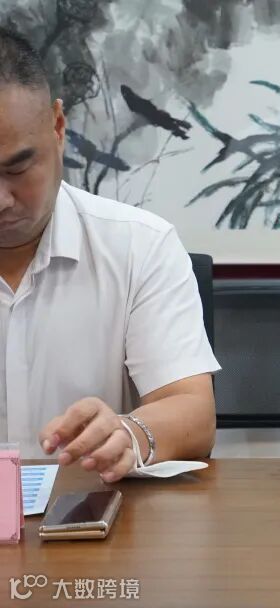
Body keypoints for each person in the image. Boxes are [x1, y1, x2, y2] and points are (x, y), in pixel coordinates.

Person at [0, 29, 219, 480]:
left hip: (94, 510)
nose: (1, 200)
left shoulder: (139, 246)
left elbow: (193, 412)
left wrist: (129, 433)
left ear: (58, 127)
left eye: (18, 167)